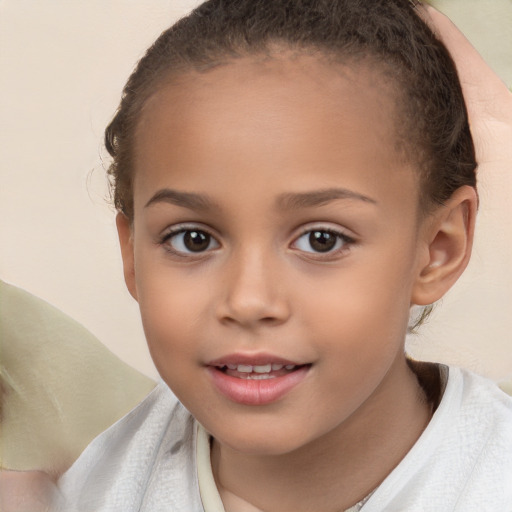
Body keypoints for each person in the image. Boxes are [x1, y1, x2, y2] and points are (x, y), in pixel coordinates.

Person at [53, 1, 512, 511]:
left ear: (437, 250)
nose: (249, 301)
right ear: (133, 255)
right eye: (193, 239)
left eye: (322, 240)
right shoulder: (87, 490)